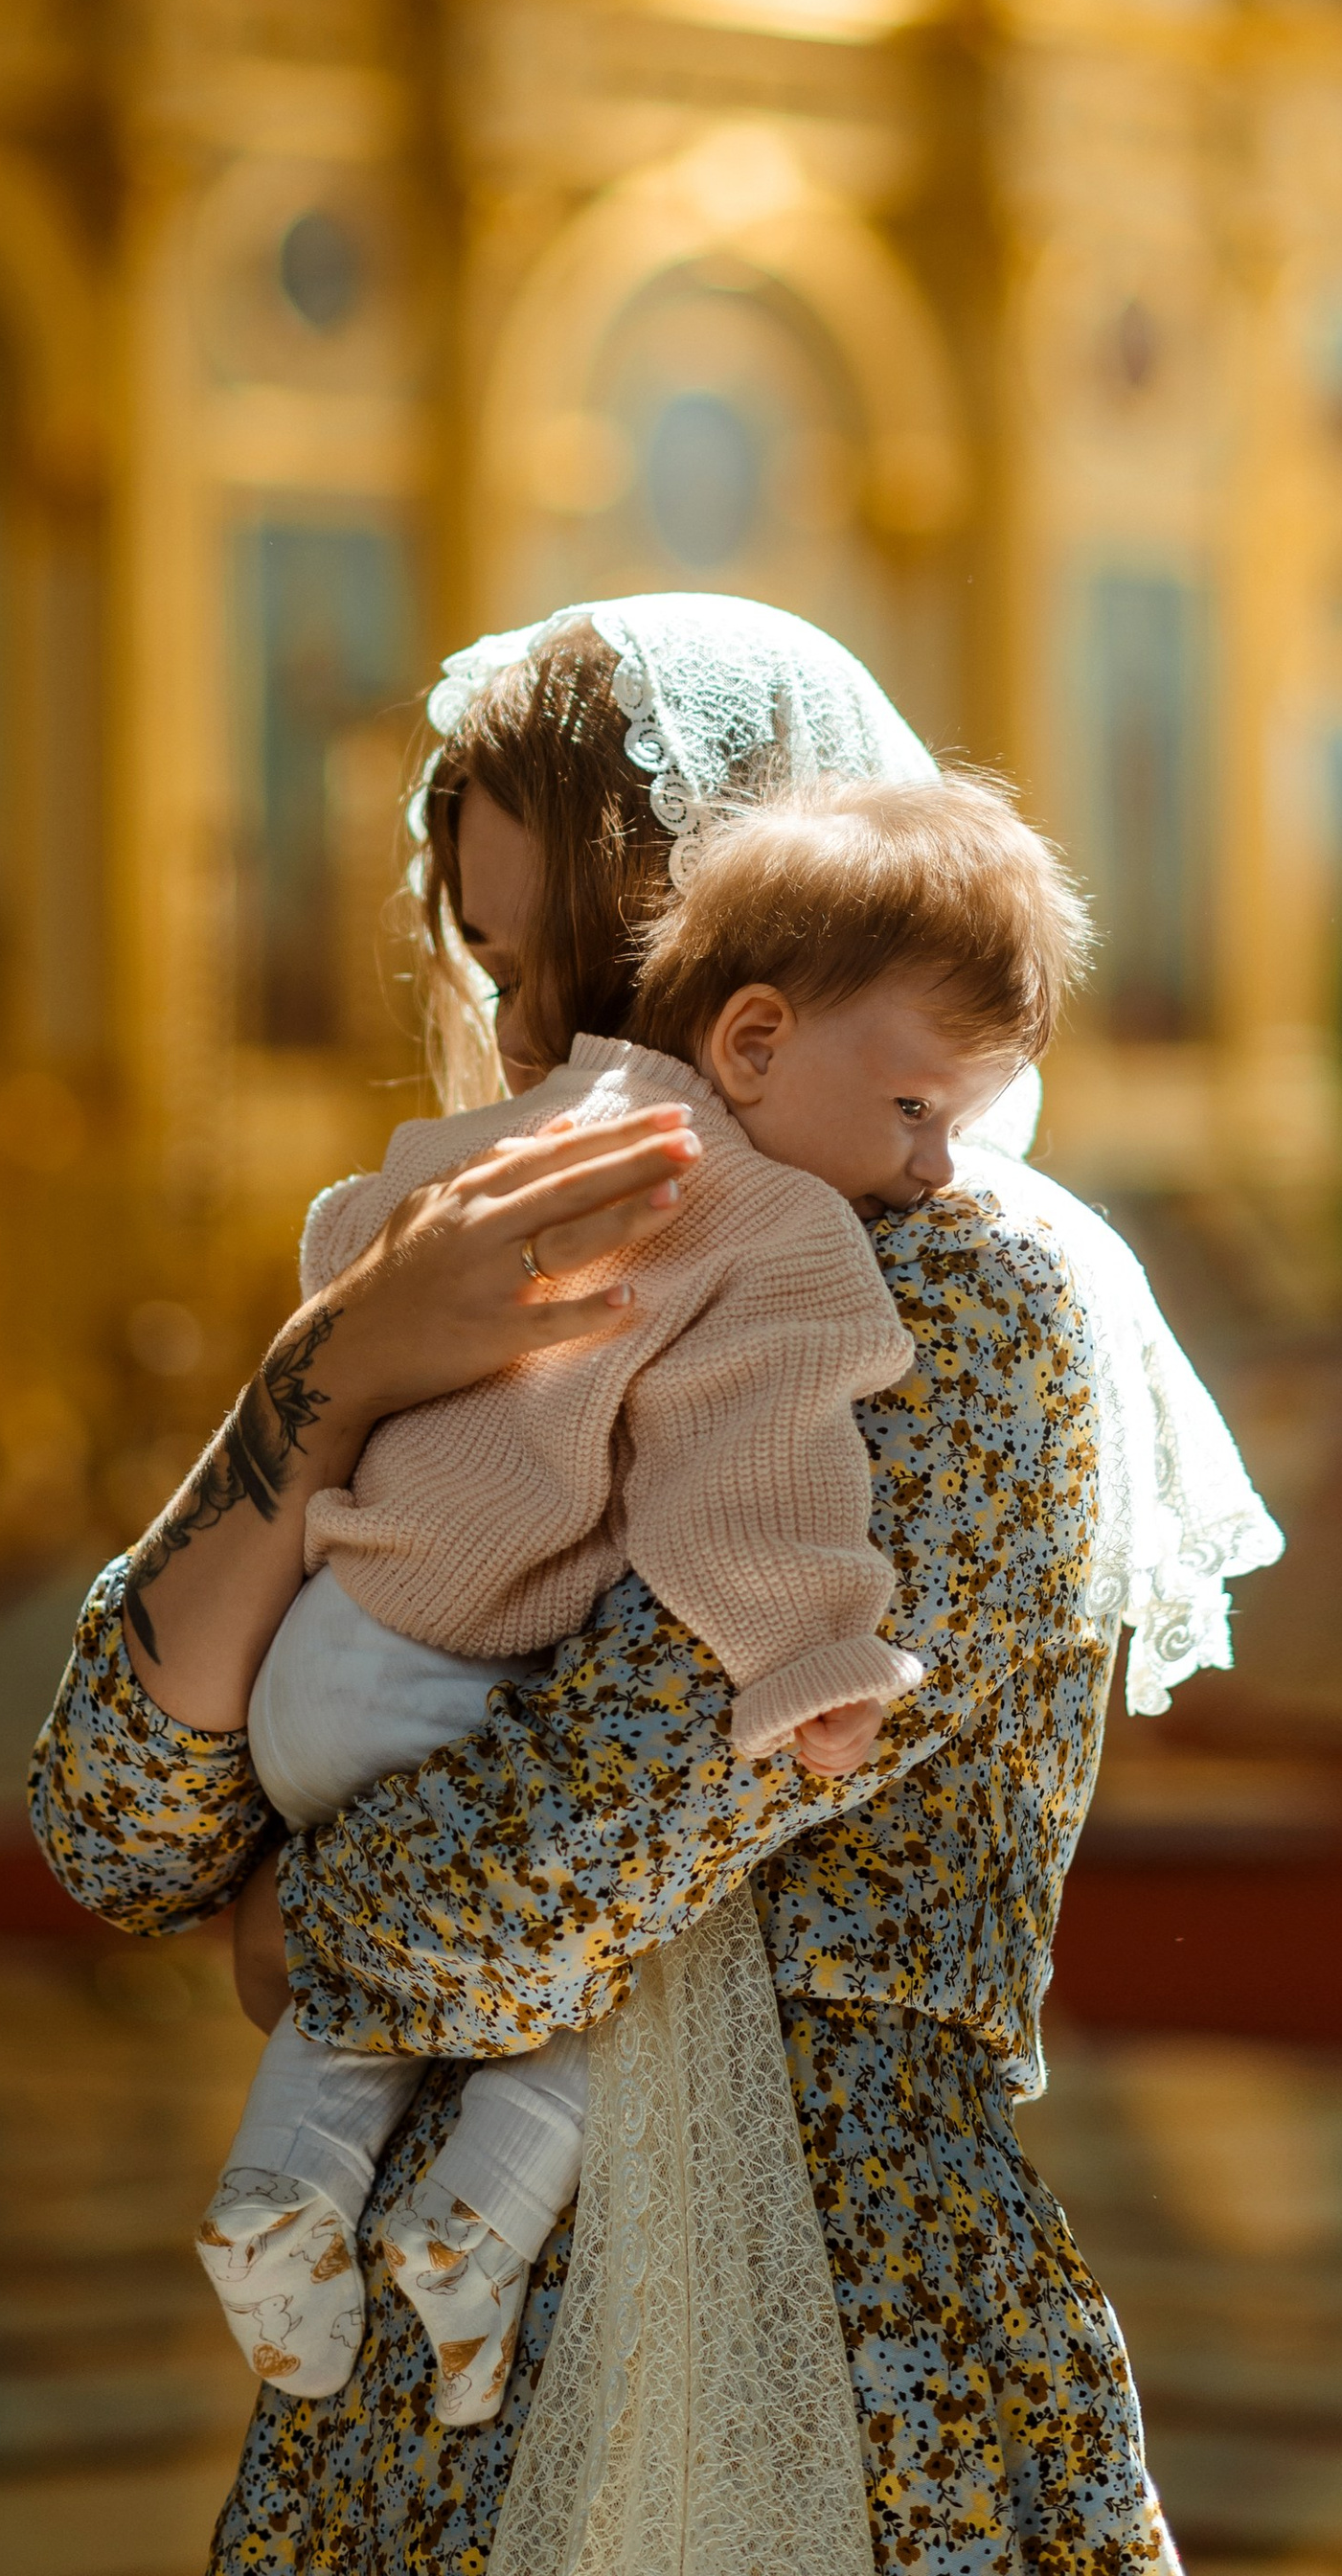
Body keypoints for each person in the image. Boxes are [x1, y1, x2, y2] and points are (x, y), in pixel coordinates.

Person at [30, 594, 1280, 2574]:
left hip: (846, 2341)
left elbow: (543, 1870)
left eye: (592, 966)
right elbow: (108, 1815)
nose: (531, 1039)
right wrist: (329, 1370)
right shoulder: (466, 1285)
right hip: (428, 2403)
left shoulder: (966, 1298)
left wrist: (290, 1917)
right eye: (498, 967)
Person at [197, 771, 1086, 2425]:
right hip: (448, 1676)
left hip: (320, 1661)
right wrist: (815, 1658)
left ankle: (281, 2192)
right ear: (751, 1041)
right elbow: (740, 1499)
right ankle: (474, 2223)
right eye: (916, 1113)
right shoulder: (796, 1238)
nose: (937, 1168)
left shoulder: (567, 1129)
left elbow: (347, 1236)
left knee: (460, 1961)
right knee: (653, 1954)